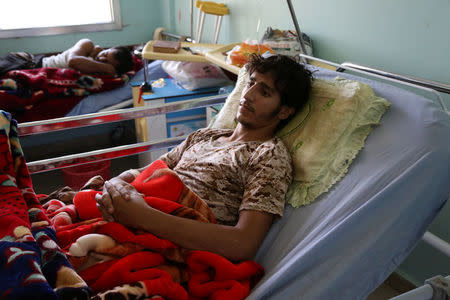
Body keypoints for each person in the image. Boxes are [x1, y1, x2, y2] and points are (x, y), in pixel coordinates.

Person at [96, 54, 313, 261]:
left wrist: (143, 217)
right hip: (135, 213)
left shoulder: (268, 155)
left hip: (166, 244)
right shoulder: (204, 135)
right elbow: (145, 173)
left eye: (264, 92)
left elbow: (243, 243)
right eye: (251, 83)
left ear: (284, 112)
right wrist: (115, 186)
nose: (247, 95)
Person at [0, 38, 133, 76]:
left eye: (107, 62)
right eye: (105, 54)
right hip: (27, 61)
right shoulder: (87, 44)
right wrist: (107, 67)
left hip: (30, 70)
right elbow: (73, 61)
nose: (101, 59)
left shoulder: (103, 73)